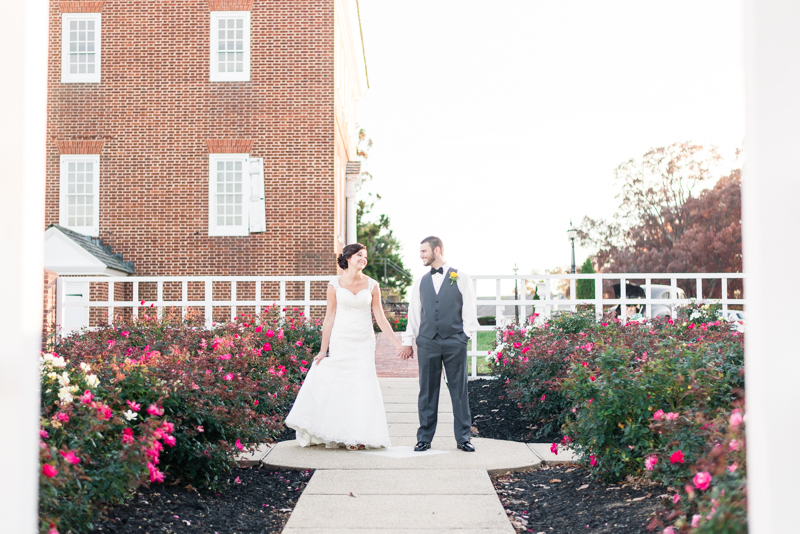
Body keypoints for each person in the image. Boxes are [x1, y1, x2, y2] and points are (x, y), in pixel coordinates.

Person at [285, 243, 402, 450]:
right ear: (347, 258)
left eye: (365, 256)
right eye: (359, 255)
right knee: (343, 387)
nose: (363, 259)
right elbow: (329, 318)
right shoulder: (334, 285)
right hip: (342, 340)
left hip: (364, 342)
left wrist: (397, 343)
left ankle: (360, 436)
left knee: (362, 387)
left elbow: (381, 318)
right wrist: (323, 350)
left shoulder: (372, 285)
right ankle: (343, 435)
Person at [399, 236, 479, 452]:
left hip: (455, 341)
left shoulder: (461, 277)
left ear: (438, 249)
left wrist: (465, 336)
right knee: (427, 391)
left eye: (424, 251)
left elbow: (469, 309)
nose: (421, 256)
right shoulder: (420, 282)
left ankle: (463, 438)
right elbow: (414, 314)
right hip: (427, 343)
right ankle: (424, 438)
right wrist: (408, 342)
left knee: (459, 391)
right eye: (420, 252)